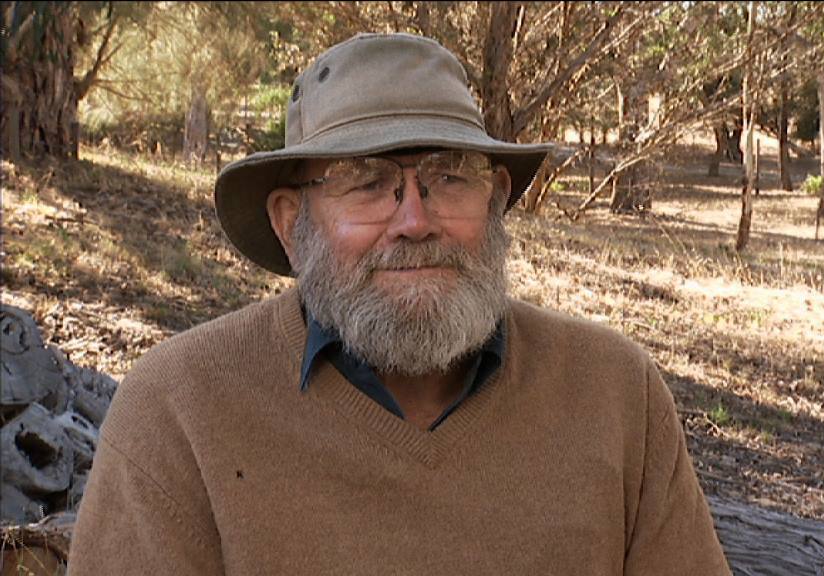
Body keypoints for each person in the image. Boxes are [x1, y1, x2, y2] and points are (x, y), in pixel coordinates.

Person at [68, 32, 731, 575]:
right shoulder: (182, 406)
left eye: (448, 177)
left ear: (496, 200)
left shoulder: (615, 391)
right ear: (290, 222)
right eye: (367, 182)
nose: (415, 220)